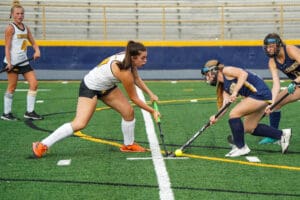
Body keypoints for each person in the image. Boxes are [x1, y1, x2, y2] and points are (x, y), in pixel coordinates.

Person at [32, 40, 160, 158]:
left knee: (128, 112)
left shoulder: (128, 59)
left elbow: (136, 78)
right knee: (80, 123)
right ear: (133, 58)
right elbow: (134, 98)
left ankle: (128, 145)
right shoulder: (124, 72)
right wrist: (152, 111)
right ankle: (42, 144)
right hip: (90, 87)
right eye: (143, 58)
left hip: (107, 88)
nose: (145, 60)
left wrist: (151, 94)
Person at [200, 59, 291, 157]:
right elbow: (224, 106)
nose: (207, 77)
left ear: (214, 70)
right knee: (249, 127)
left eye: (207, 73)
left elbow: (243, 74)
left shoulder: (226, 70)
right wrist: (216, 117)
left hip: (259, 93)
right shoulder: (224, 88)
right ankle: (282, 135)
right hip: (257, 96)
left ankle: (241, 147)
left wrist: (235, 92)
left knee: (234, 113)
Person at [1, 4, 43, 121]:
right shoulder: (10, 28)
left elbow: (33, 42)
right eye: (17, 14)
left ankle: (29, 112)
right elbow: (7, 47)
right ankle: (6, 113)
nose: (20, 16)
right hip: (12, 63)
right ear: (12, 15)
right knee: (12, 87)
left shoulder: (26, 27)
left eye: (21, 13)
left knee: (34, 83)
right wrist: (9, 63)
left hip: (24, 62)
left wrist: (37, 50)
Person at [259, 33, 300, 144]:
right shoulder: (272, 62)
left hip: (297, 83)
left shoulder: (290, 49)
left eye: (272, 46)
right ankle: (274, 135)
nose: (269, 49)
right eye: (267, 46)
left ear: (279, 45)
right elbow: (276, 85)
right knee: (276, 103)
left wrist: (295, 81)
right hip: (298, 85)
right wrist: (271, 102)